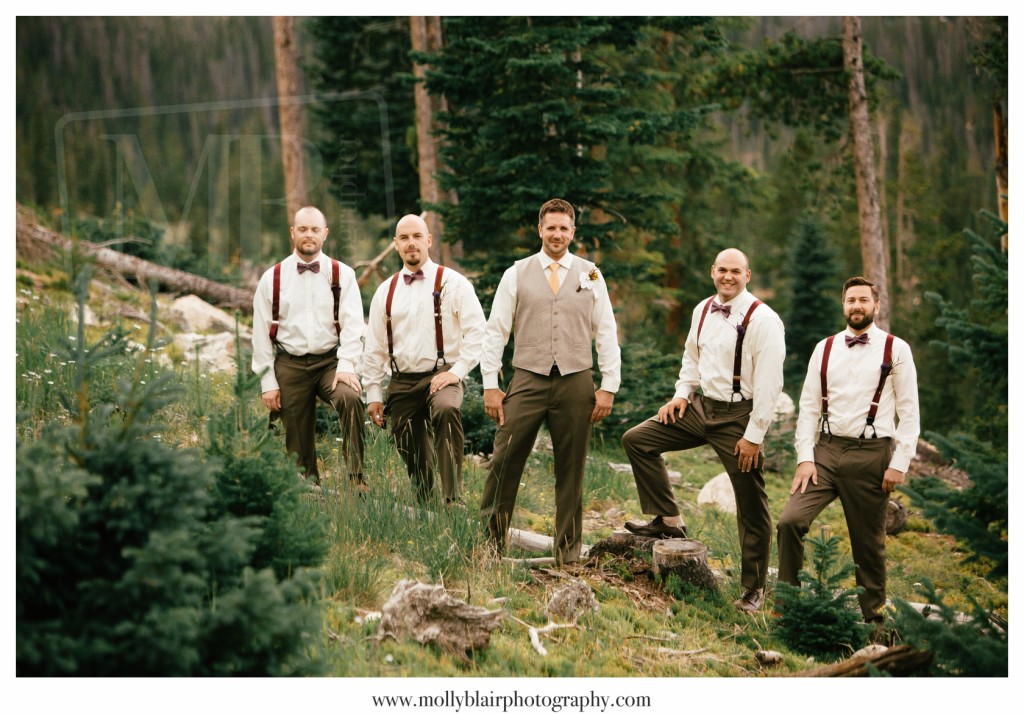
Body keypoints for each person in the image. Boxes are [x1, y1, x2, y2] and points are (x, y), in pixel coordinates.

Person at [620, 248, 785, 613]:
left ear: (748, 274)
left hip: (739, 417)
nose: (728, 277)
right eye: (722, 270)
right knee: (639, 440)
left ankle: (753, 588)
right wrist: (682, 394)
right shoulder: (703, 309)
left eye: (735, 271)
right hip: (700, 408)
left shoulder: (764, 320)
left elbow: (772, 385)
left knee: (750, 502)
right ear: (713, 271)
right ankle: (669, 520)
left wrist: (754, 435)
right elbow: (691, 358)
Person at [479, 198, 621, 565]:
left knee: (571, 469)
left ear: (573, 232)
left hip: (576, 381)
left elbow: (605, 330)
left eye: (564, 228)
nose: (557, 234)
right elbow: (496, 331)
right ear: (540, 230)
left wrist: (608, 385)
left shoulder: (590, 273)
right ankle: (489, 548)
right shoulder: (517, 273)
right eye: (551, 227)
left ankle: (568, 556)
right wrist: (491, 384)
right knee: (504, 460)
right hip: (527, 377)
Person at [777, 276, 919, 625]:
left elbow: (910, 412)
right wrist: (805, 458)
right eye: (851, 300)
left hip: (872, 455)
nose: (857, 306)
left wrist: (899, 462)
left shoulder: (895, 349)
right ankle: (787, 606)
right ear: (843, 305)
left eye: (864, 300)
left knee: (869, 546)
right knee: (789, 521)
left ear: (876, 305)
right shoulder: (824, 348)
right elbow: (809, 407)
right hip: (825, 452)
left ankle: (873, 622)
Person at [363, 214, 486, 504]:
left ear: (428, 240)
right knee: (405, 437)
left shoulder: (454, 283)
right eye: (404, 238)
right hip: (402, 380)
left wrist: (457, 372)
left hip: (442, 375)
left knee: (445, 410)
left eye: (417, 236)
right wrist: (372, 393)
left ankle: (452, 498)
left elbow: (479, 334)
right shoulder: (386, 291)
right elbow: (374, 347)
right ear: (395, 245)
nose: (411, 243)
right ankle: (425, 499)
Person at [252, 206, 366, 488]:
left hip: (331, 361)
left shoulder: (343, 274)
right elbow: (260, 335)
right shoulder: (272, 278)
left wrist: (348, 365)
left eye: (315, 229)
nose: (309, 235)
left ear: (325, 234)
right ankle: (308, 484)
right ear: (293, 233)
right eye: (302, 229)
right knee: (296, 432)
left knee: (349, 398)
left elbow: (353, 326)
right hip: (289, 363)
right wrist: (268, 381)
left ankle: (356, 478)